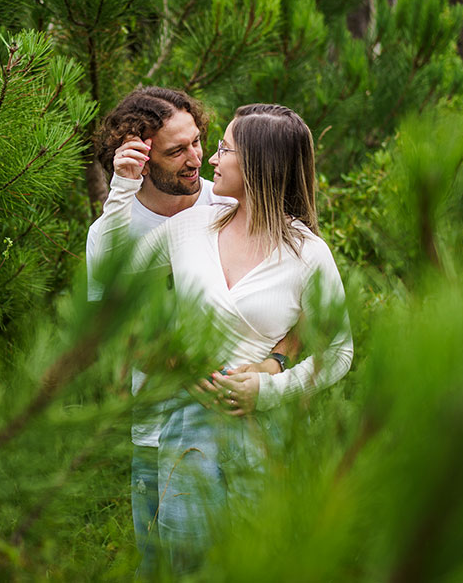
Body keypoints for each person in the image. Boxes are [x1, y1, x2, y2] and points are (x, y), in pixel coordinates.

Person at [95, 103, 353, 574]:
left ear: (257, 164)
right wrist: (123, 187)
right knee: (186, 563)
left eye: (223, 149)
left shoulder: (307, 252)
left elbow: (340, 350)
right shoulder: (189, 229)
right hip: (185, 428)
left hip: (267, 429)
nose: (211, 160)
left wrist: (271, 387)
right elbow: (115, 278)